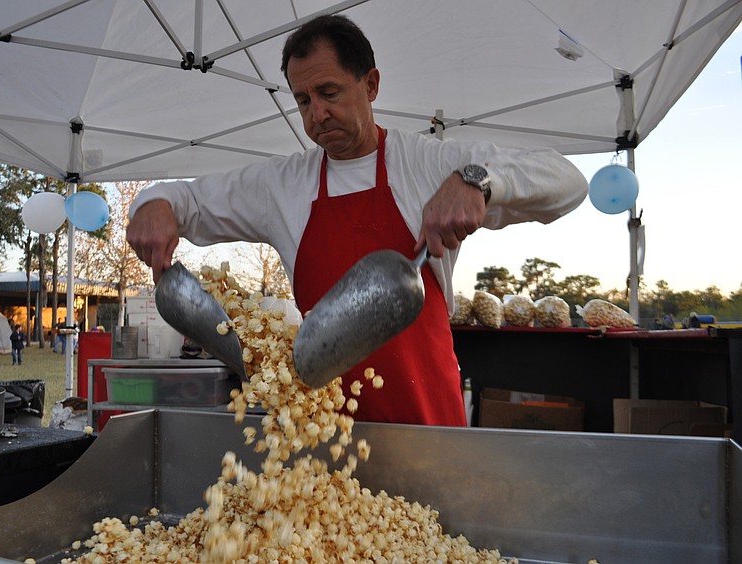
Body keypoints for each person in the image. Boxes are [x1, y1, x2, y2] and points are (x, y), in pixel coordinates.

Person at [126, 15, 588, 427]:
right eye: (302, 100)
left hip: (429, 424)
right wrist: (153, 205)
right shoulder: (283, 184)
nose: (316, 114)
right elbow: (185, 198)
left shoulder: (426, 163)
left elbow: (567, 181)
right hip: (327, 438)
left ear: (370, 85)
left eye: (329, 93)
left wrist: (478, 182)